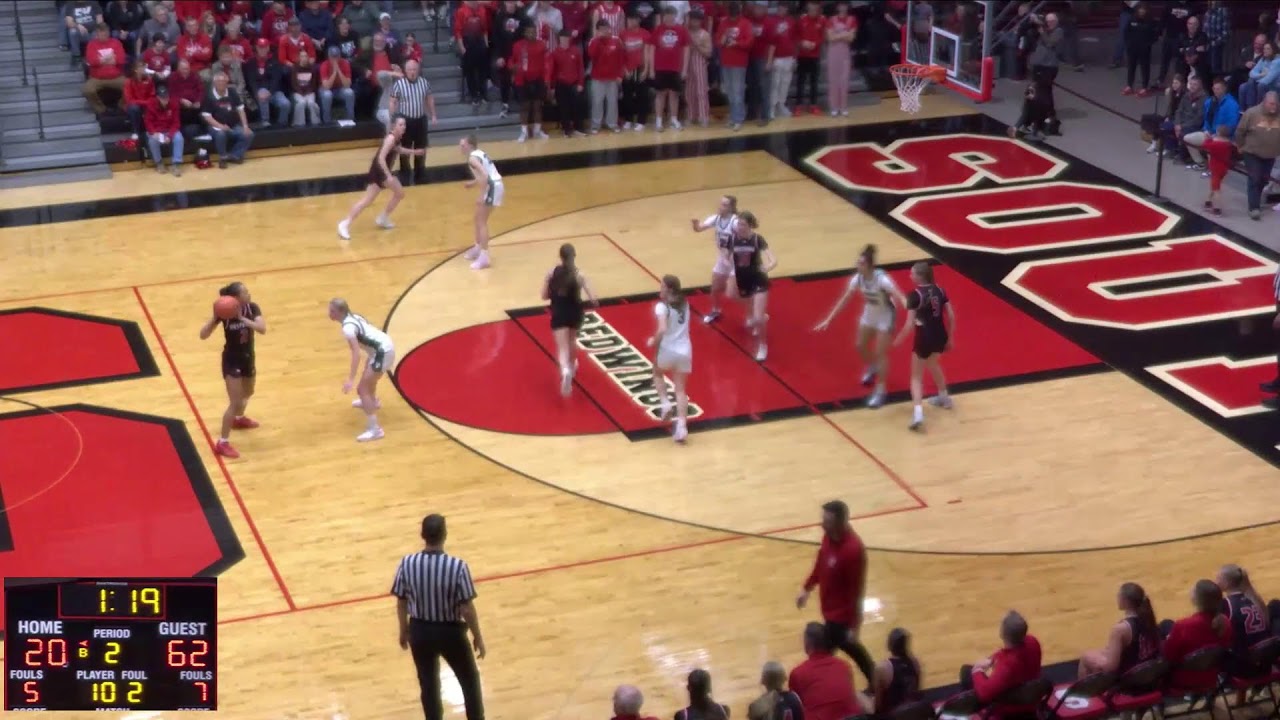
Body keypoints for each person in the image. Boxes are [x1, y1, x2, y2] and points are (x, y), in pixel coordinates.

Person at [392, 514, 486, 720]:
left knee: (429, 685)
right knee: (469, 681)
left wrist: (403, 630)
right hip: (450, 633)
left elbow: (401, 601)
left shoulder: (407, 563)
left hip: (420, 631)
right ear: (445, 535)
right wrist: (478, 636)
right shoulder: (457, 567)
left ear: (422, 535)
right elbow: (467, 608)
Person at [814, 244, 908, 409]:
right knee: (860, 345)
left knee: (880, 353)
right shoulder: (857, 279)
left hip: (886, 316)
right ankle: (872, 367)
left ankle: (881, 391)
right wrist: (828, 319)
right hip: (869, 314)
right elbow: (845, 299)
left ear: (870, 266)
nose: (858, 265)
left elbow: (900, 296)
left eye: (861, 263)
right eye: (858, 262)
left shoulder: (882, 279)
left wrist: (910, 308)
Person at [798, 499, 875, 685]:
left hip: (841, 618)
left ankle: (823, 687)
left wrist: (854, 626)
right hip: (829, 611)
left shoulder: (853, 551)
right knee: (854, 652)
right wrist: (807, 588)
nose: (822, 524)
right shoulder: (828, 537)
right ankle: (876, 681)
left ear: (840, 523)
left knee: (823, 654)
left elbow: (857, 591)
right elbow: (820, 565)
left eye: (827, 521)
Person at [198, 282, 266, 460]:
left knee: (248, 392)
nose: (249, 294)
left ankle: (238, 419)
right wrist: (214, 318)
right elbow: (203, 335)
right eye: (245, 292)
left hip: (248, 357)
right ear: (236, 298)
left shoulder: (252, 308)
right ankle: (222, 442)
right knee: (235, 402)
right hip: (231, 360)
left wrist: (243, 319)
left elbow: (262, 329)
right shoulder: (225, 313)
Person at [337, 115, 422, 240]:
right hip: (379, 172)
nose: (403, 127)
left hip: (381, 172)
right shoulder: (390, 139)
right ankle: (346, 224)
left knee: (373, 199)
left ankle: (381, 218)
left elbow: (399, 149)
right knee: (390, 195)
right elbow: (381, 158)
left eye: (404, 124)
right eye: (400, 124)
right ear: (393, 126)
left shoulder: (396, 138)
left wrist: (415, 152)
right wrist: (388, 175)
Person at [892, 262, 954, 432]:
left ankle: (918, 413)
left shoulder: (915, 295)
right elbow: (950, 315)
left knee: (916, 377)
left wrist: (898, 340)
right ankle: (944, 398)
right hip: (940, 335)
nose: (910, 276)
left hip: (924, 338)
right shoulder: (940, 290)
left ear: (920, 276)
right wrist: (950, 338)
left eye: (912, 273)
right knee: (933, 364)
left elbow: (909, 324)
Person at [328, 298, 395, 442]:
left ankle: (375, 430)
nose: (329, 314)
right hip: (382, 347)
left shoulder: (348, 329)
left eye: (332, 311)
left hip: (382, 352)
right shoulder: (355, 316)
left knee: (362, 389)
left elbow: (356, 353)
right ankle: (373, 401)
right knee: (369, 376)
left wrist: (351, 379)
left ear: (340, 312)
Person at [541, 243, 599, 397]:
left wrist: (549, 283)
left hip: (559, 312)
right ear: (574, 256)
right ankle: (572, 367)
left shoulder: (552, 272)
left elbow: (544, 296)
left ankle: (565, 370)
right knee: (572, 341)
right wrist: (593, 300)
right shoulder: (579, 275)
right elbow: (594, 299)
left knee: (562, 347)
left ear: (561, 257)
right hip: (575, 312)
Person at [646, 274, 694, 443]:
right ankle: (682, 427)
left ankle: (665, 403)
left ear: (670, 289)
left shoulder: (662, 306)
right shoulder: (685, 303)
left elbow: (662, 329)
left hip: (667, 349)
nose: (660, 289)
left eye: (662, 286)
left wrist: (653, 340)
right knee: (680, 390)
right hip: (685, 351)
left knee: (657, 372)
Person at [1077, 582, 1161, 677]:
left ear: (1125, 601)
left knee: (1086, 657)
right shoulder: (1148, 619)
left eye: (1119, 596)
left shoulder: (1120, 629)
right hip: (1146, 671)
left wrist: (1097, 663)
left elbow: (1111, 668)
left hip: (1129, 677)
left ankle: (1087, 687)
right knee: (1099, 653)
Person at [1162, 579, 1232, 690]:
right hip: (1211, 677)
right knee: (1167, 624)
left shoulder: (1183, 625)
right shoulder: (1225, 622)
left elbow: (1168, 657)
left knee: (1165, 626)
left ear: (1196, 599)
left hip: (1183, 680)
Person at [961, 611, 1043, 703]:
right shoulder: (1033, 641)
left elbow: (984, 693)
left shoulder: (1007, 665)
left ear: (1002, 634)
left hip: (1013, 704)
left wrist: (977, 670)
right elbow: (1007, 652)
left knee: (966, 672)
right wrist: (992, 659)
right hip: (1030, 694)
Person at [790, 623, 862, 720]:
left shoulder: (798, 673)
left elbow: (795, 708)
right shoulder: (844, 665)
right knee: (860, 696)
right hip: (853, 718)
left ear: (807, 643)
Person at [730, 211, 776, 362]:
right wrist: (728, 269)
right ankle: (759, 316)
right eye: (738, 223)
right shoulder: (733, 239)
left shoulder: (757, 239)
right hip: (743, 280)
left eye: (743, 224)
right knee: (734, 296)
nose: (739, 227)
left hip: (758, 279)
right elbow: (726, 257)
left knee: (757, 318)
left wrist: (767, 267)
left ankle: (763, 346)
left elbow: (773, 260)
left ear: (750, 225)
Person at [689, 194, 738, 324]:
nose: (721, 207)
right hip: (723, 259)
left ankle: (754, 307)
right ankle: (715, 310)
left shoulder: (735, 222)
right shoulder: (716, 219)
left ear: (731, 208)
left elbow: (745, 240)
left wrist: (730, 252)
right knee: (715, 288)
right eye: (721, 204)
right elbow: (699, 229)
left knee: (732, 294)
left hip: (736, 261)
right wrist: (695, 224)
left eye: (724, 205)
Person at [1233, 90, 1280, 220]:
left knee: (1263, 179)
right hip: (1252, 152)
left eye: (1275, 104)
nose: (1274, 107)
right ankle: (1254, 207)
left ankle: (1256, 199)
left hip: (1270, 154)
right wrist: (1240, 145)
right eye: (1271, 104)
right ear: (1264, 102)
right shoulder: (1251, 113)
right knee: (1254, 178)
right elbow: (1240, 131)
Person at [1217, 564, 1271, 678]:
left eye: (1218, 578)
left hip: (1244, 666)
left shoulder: (1225, 604)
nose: (1216, 581)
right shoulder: (1253, 599)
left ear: (1227, 583)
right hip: (1266, 662)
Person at [460, 134, 504, 270]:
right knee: (477, 218)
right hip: (495, 185)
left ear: (470, 145)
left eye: (463, 145)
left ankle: (484, 257)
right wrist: (473, 183)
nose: (460, 147)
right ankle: (478, 248)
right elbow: (484, 174)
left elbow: (485, 175)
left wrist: (481, 195)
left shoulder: (472, 158)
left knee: (481, 221)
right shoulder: (479, 153)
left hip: (492, 187)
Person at [649, 6, 689, 131]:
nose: (669, 18)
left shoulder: (681, 30)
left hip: (675, 68)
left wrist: (684, 69)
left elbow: (686, 49)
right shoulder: (658, 30)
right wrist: (651, 69)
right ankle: (658, 121)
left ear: (675, 16)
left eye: (672, 15)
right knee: (660, 94)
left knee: (674, 94)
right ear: (663, 16)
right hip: (660, 67)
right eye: (667, 15)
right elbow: (652, 49)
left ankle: (673, 119)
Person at [872, 628, 921, 716]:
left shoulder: (882, 668)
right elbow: (916, 692)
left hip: (893, 715)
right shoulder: (915, 663)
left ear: (889, 645)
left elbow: (878, 706)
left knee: (862, 698)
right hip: (912, 712)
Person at [144, 83, 184, 175]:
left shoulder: (174, 104)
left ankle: (176, 164)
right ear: (158, 97)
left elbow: (176, 122)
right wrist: (154, 132)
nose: (165, 99)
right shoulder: (151, 104)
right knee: (152, 141)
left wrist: (170, 136)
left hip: (169, 129)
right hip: (156, 131)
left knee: (179, 138)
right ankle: (159, 163)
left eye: (167, 97)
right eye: (163, 98)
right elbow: (148, 122)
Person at [824, 2, 855, 117]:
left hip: (845, 53)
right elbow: (830, 38)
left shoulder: (852, 20)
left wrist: (838, 35)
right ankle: (834, 107)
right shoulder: (831, 20)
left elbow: (851, 38)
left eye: (845, 5)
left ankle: (843, 107)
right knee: (833, 80)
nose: (843, 7)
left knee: (844, 81)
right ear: (837, 7)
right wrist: (844, 34)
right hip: (833, 53)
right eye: (841, 5)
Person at [1200, 124, 1234, 216]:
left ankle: (1217, 209)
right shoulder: (1229, 144)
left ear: (1218, 133)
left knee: (1216, 189)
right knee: (1215, 185)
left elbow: (1204, 146)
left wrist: (1208, 138)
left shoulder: (1215, 144)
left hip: (1216, 169)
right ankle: (1208, 202)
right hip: (1224, 168)